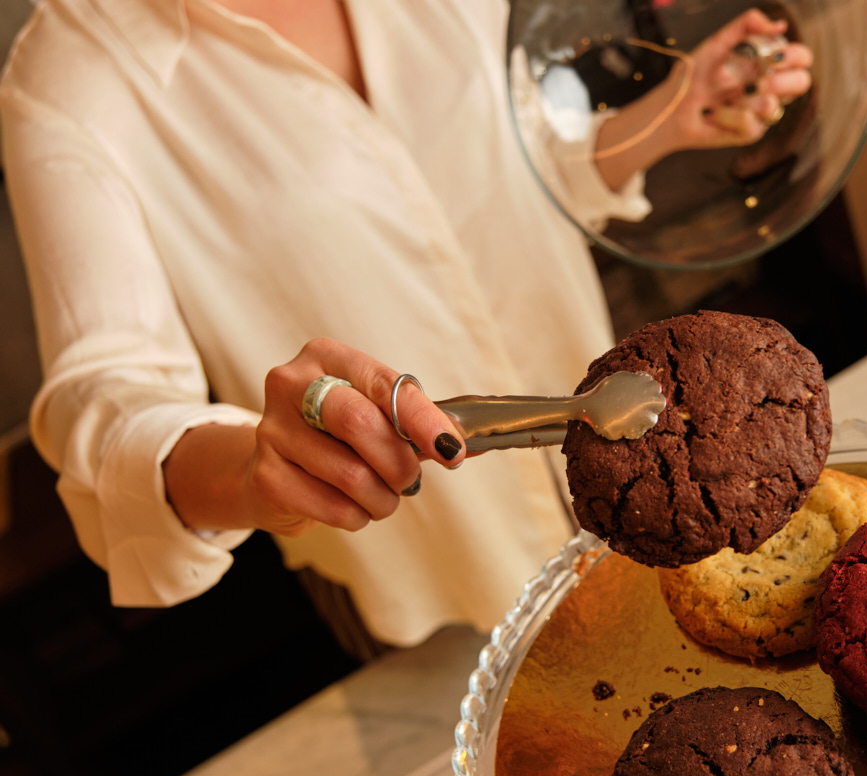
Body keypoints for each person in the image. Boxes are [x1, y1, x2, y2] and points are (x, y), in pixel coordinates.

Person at [0, 0, 811, 660]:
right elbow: (104, 399)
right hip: (421, 580)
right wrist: (256, 470)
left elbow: (513, 167)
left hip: (638, 481)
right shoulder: (73, 76)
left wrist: (670, 114)